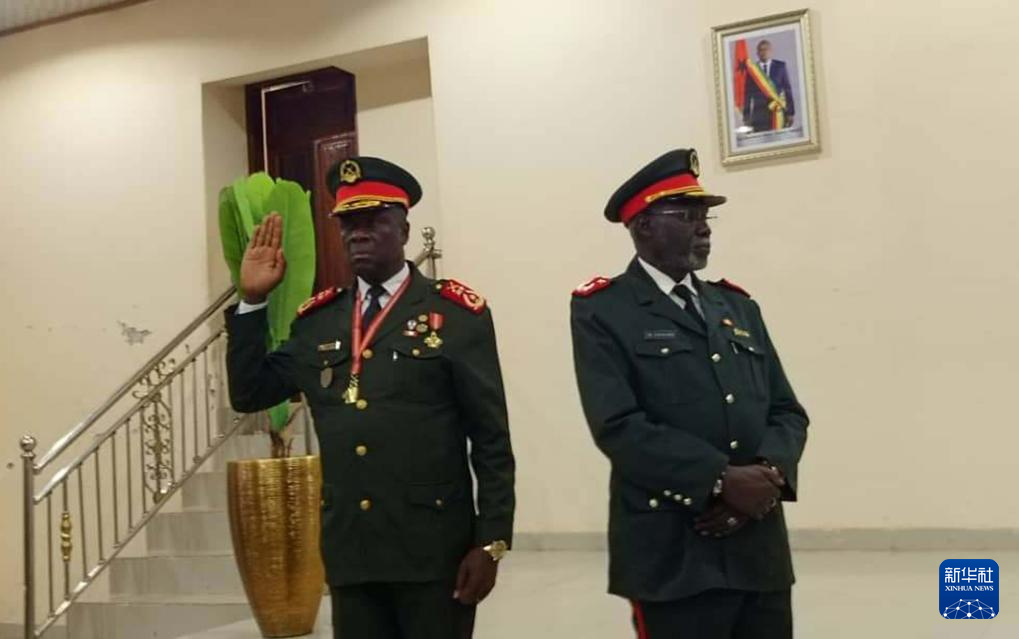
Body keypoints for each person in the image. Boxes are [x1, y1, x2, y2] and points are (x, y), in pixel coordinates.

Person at [225, 156, 516, 639]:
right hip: (352, 553)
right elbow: (250, 391)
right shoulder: (319, 321)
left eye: (374, 220)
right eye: (348, 223)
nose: (357, 234)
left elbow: (491, 439)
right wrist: (253, 302)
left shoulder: (456, 315)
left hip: (433, 550)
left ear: (404, 228)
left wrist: (491, 542)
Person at [570, 149, 809, 639]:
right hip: (673, 550)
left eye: (705, 216)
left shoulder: (738, 307)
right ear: (643, 226)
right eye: (687, 216)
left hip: (757, 547)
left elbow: (787, 411)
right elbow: (618, 426)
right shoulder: (604, 310)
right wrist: (720, 480)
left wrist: (765, 478)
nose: (704, 228)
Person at [743, 39, 796, 131]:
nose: (763, 52)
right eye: (761, 50)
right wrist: (746, 116)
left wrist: (790, 113)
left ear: (771, 51)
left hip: (778, 111)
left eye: (766, 49)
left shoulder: (780, 66)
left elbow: (787, 89)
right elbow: (748, 95)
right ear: (757, 53)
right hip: (759, 114)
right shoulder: (752, 70)